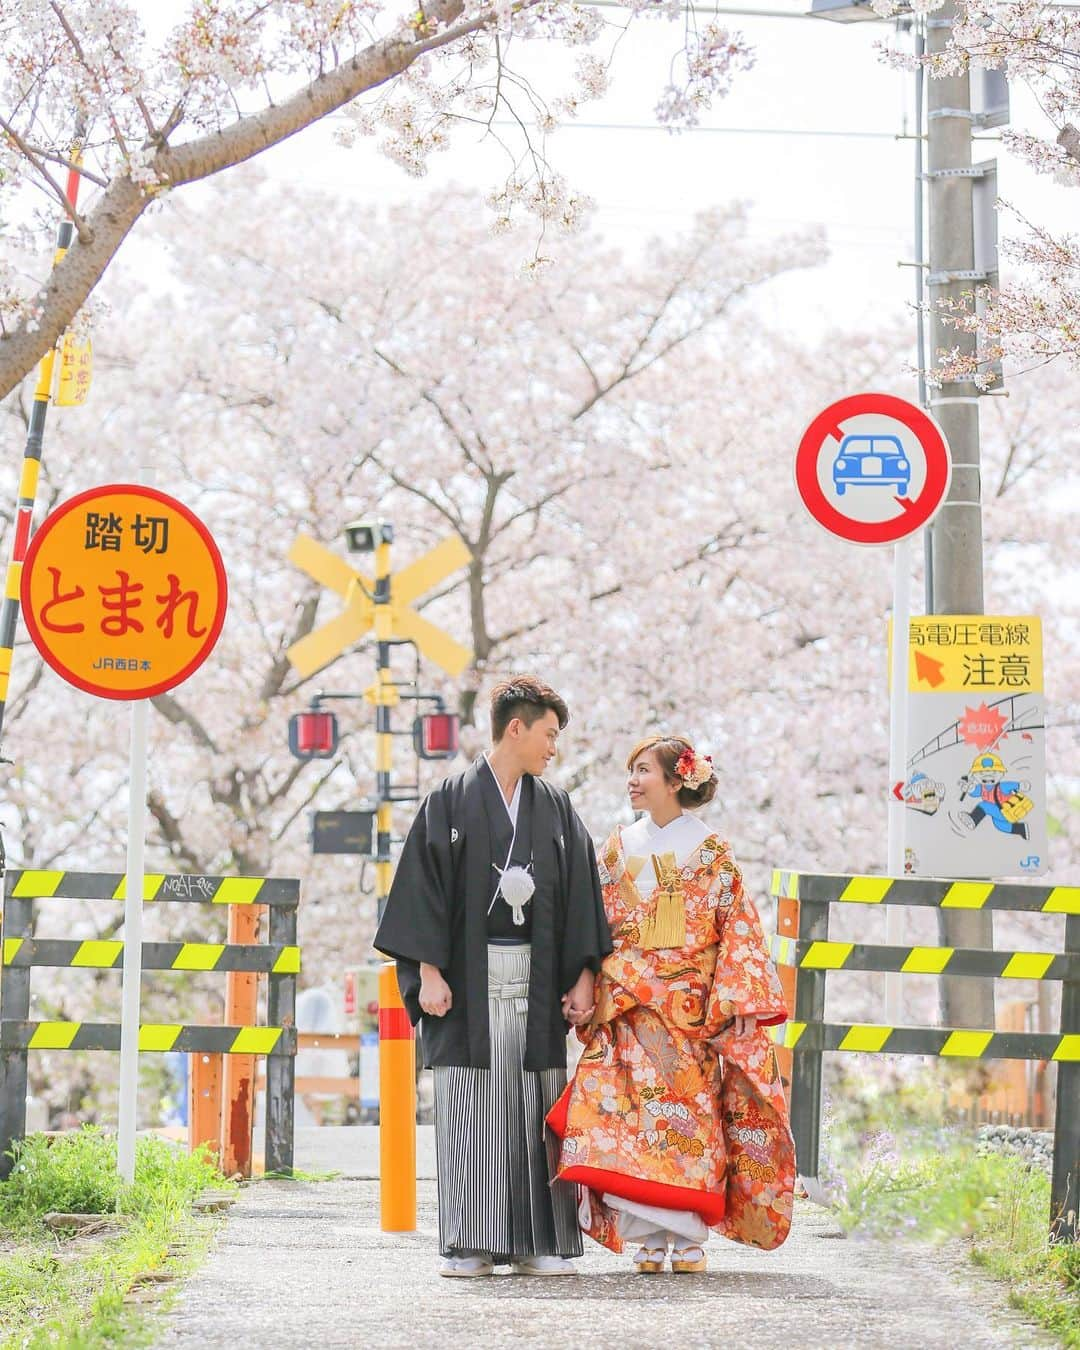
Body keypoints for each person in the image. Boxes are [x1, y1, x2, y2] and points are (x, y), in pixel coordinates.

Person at [374, 675, 611, 1279]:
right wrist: (427, 970)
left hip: (535, 985)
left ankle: (539, 1242)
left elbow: (585, 895)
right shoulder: (448, 802)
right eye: (550, 734)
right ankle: (470, 1241)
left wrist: (584, 974)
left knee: (535, 1109)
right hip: (464, 986)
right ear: (516, 728)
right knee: (472, 1108)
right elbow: (422, 892)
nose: (554, 747)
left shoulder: (556, 809)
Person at [548, 734, 794, 1273]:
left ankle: (687, 1235)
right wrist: (586, 978)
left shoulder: (711, 850)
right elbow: (592, 924)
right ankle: (647, 1237)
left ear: (677, 779)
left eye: (643, 771)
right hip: (629, 1005)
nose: (633, 781)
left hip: (689, 1006)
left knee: (686, 1112)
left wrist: (741, 998)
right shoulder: (615, 847)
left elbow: (738, 928)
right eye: (631, 771)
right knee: (629, 1117)